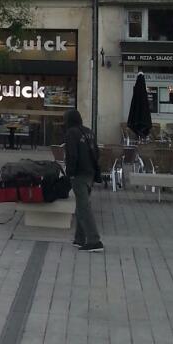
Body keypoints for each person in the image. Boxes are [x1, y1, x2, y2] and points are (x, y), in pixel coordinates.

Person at [63, 108, 104, 252]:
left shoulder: (71, 133)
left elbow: (72, 154)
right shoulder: (89, 132)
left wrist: (70, 173)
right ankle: (79, 238)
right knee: (82, 205)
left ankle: (94, 241)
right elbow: (96, 152)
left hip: (79, 174)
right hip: (90, 173)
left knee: (84, 207)